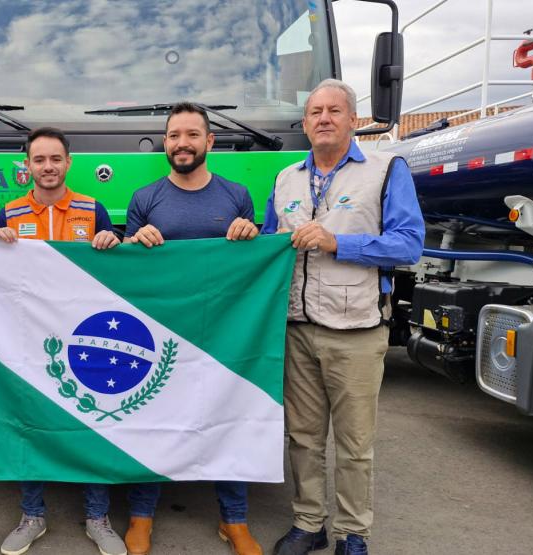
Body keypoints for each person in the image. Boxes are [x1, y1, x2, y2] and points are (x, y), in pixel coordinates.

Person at [260, 79, 424, 555]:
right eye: (315, 112)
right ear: (306, 123)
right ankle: (308, 523)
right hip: (297, 329)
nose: (324, 118)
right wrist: (250, 232)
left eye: (335, 110)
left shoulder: (386, 169)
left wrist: (340, 243)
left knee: (354, 443)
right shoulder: (286, 178)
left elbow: (409, 244)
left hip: (356, 331)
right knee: (303, 437)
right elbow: (272, 245)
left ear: (354, 119)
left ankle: (354, 533)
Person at [123, 102, 262, 555]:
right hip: (162, 337)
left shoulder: (237, 195)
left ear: (209, 141)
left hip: (225, 336)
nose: (182, 143)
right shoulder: (145, 199)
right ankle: (141, 515)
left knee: (230, 420)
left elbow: (253, 264)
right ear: (165, 143)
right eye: (173, 135)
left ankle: (233, 520)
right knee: (153, 421)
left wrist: (250, 232)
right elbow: (127, 275)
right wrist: (132, 240)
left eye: (191, 134)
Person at [0, 127, 123, 555]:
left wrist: (111, 240)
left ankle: (98, 517)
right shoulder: (8, 214)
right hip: (28, 341)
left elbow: (117, 275)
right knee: (31, 424)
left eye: (55, 159)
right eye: (39, 160)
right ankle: (32, 515)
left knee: (92, 422)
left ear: (68, 163)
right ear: (26, 166)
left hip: (86, 340)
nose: (47, 167)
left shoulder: (92, 209)